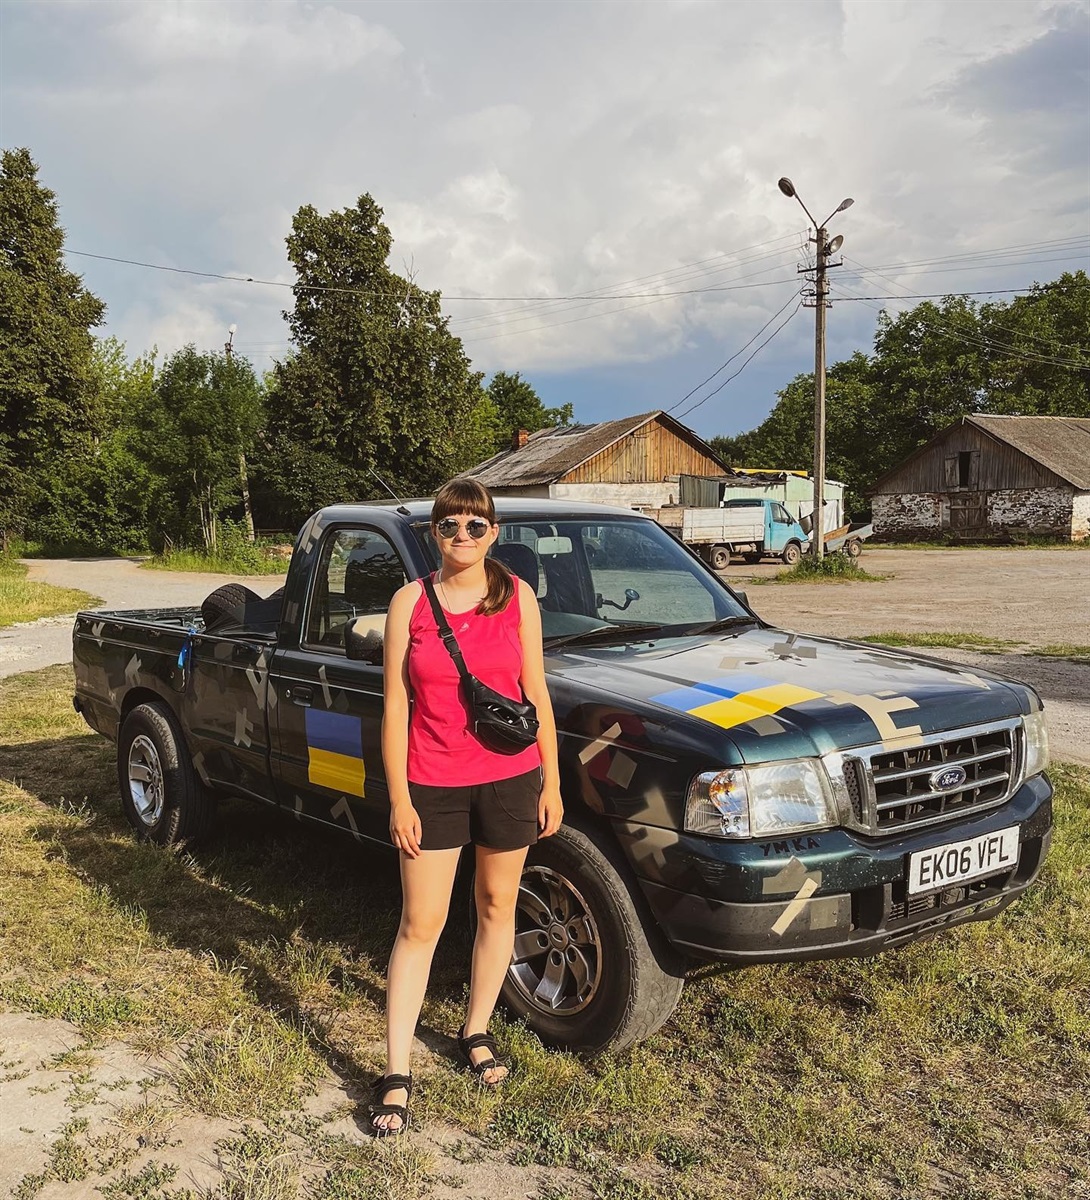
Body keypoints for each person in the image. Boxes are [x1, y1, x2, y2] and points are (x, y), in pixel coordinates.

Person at [368, 478, 563, 1136]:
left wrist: (553, 783)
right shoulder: (409, 603)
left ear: (494, 533)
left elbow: (536, 693)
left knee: (496, 906)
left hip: (512, 776)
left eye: (475, 526)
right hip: (432, 781)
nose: (462, 537)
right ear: (434, 533)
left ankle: (474, 1032)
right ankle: (396, 1071)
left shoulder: (518, 599)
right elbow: (396, 707)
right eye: (449, 525)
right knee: (420, 923)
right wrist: (399, 796)